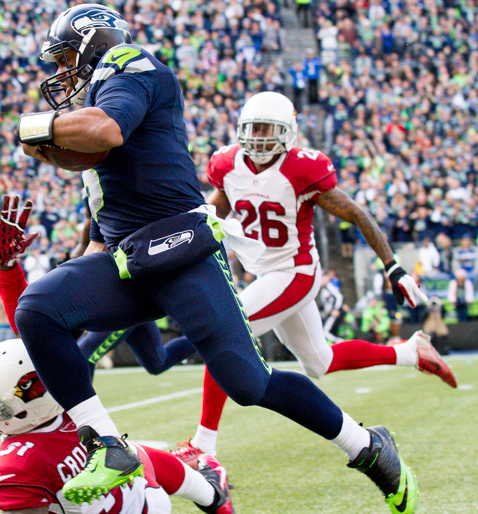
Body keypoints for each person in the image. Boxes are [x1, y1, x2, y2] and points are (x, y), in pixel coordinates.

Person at [15, 5, 417, 514]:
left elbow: (106, 132)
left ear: (94, 43)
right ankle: (107, 443)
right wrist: (69, 300)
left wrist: (36, 125)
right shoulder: (94, 121)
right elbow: (100, 229)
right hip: (129, 261)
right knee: (39, 308)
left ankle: (366, 445)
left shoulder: (130, 64)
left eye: (69, 54)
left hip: (180, 250)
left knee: (248, 384)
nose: (63, 70)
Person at [171, 92, 458, 471]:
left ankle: (203, 445)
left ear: (287, 134)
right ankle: (410, 352)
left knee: (225, 332)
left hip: (296, 272)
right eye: (252, 128)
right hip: (267, 271)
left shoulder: (302, 169)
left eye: (267, 130)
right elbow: (220, 207)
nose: (258, 137)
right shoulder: (226, 164)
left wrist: (393, 267)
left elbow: (355, 212)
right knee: (319, 362)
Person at [0, 339, 234, 514]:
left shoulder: (18, 462)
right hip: (150, 506)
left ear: (27, 405)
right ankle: (212, 496)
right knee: (131, 452)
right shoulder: (74, 408)